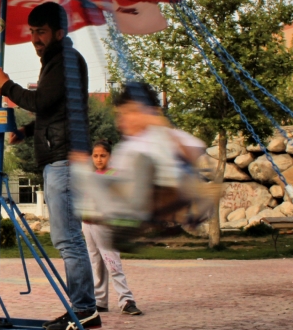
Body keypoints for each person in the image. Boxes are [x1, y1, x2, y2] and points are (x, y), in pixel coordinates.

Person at [0, 1, 100, 330]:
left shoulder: (65, 60)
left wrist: (6, 86)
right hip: (61, 158)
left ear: (58, 32)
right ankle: (81, 308)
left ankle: (83, 309)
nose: (35, 39)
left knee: (68, 239)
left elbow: (41, 102)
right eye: (32, 32)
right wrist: (25, 132)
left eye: (41, 32)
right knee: (67, 237)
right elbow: (53, 112)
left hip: (64, 160)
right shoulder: (57, 61)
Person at [71, 83, 209, 252]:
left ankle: (129, 218)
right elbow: (117, 179)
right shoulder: (125, 148)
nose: (124, 119)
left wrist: (160, 124)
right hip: (130, 197)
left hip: (165, 188)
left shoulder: (164, 134)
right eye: (121, 114)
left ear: (149, 112)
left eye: (131, 112)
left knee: (141, 160)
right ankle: (120, 221)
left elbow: (194, 154)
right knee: (82, 171)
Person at [82, 140, 142, 315]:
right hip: (88, 224)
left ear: (110, 156)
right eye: (95, 156)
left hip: (105, 225)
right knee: (96, 263)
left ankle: (126, 300)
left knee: (112, 263)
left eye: (103, 155)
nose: (99, 159)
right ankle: (100, 300)